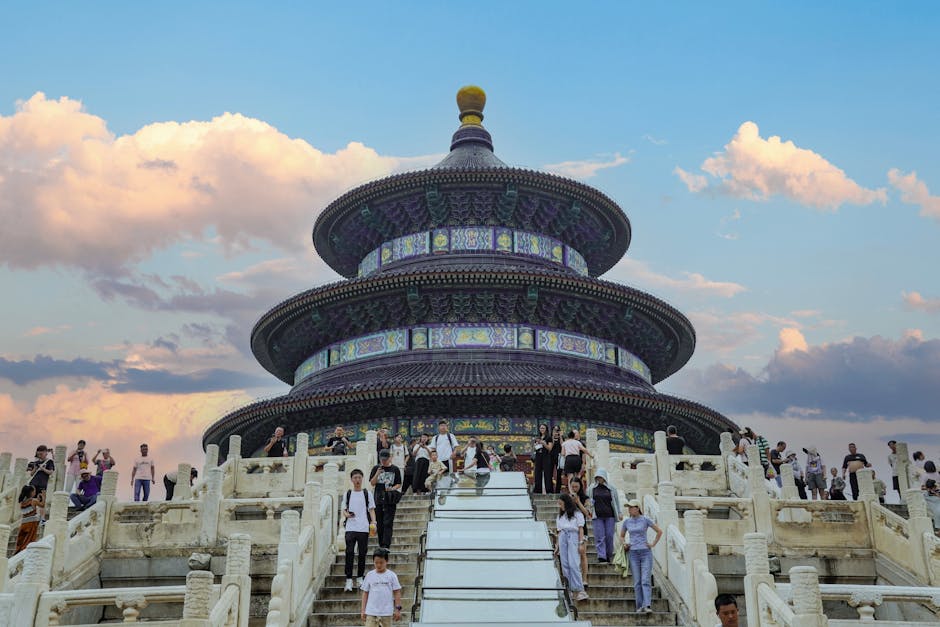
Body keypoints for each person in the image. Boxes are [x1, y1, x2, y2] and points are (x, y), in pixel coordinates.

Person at [620, 498, 662, 614]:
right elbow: (622, 535)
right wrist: (624, 543)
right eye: (628, 507)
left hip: (645, 552)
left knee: (645, 580)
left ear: (637, 508)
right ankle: (639, 606)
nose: (629, 509)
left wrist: (652, 544)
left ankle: (647, 605)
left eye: (631, 507)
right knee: (637, 581)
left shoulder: (645, 519)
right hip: (633, 553)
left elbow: (659, 531)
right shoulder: (627, 522)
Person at [343, 468, 377, 592]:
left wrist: (374, 522)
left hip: (363, 527)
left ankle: (360, 577)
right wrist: (347, 515)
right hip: (350, 527)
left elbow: (371, 509)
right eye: (355, 478)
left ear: (362, 479)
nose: (357, 480)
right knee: (349, 552)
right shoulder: (348, 494)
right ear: (351, 480)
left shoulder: (367, 493)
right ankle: (348, 579)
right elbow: (344, 510)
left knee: (362, 553)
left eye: (359, 478)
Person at [555, 493, 588, 602]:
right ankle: (568, 589)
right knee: (565, 564)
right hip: (563, 537)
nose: (560, 506)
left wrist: (581, 543)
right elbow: (559, 531)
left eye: (561, 504)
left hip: (573, 536)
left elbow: (581, 529)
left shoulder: (577, 514)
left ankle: (580, 589)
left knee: (574, 563)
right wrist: (557, 546)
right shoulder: (560, 516)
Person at [360, 548, 402, 627]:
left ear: (386, 561)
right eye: (376, 563)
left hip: (386, 613)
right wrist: (363, 610)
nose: (379, 565)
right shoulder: (369, 575)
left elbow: (397, 593)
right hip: (371, 612)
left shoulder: (392, 575)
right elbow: (365, 593)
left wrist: (398, 609)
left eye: (381, 562)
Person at [370, 449, 402, 549]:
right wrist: (377, 473)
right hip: (378, 498)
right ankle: (381, 544)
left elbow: (398, 483)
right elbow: (372, 483)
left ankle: (386, 544)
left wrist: (392, 488)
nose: (383, 461)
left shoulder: (395, 469)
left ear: (390, 458)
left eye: (385, 459)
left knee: (388, 523)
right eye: (382, 459)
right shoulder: (376, 468)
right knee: (380, 523)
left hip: (390, 498)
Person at [588, 468, 622, 563]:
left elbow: (616, 501)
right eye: (598, 477)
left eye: (601, 477)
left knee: (609, 536)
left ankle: (608, 554)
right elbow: (588, 500)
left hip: (610, 515)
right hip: (597, 515)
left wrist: (619, 512)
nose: (599, 479)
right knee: (599, 536)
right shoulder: (592, 488)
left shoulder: (611, 488)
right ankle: (601, 555)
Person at [567, 476, 592, 589]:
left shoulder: (586, 498)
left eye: (576, 487)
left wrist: (578, 502)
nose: (574, 489)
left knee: (582, 553)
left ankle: (584, 578)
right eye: (572, 487)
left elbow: (588, 513)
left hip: (582, 528)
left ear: (580, 486)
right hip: (570, 528)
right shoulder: (567, 497)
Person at [15, 485, 44, 554]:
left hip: (23, 523)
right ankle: (25, 553)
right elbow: (42, 505)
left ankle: (17, 552)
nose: (35, 492)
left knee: (20, 540)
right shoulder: (33, 500)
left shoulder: (22, 502)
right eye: (34, 491)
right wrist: (43, 496)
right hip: (32, 523)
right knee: (29, 540)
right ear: (31, 492)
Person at [532, 423, 554, 493]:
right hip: (538, 456)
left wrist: (544, 443)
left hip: (546, 457)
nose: (542, 429)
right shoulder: (538, 438)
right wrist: (535, 445)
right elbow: (534, 448)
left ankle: (549, 490)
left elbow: (550, 448)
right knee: (537, 473)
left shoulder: (548, 438)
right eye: (541, 428)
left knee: (547, 473)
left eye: (543, 428)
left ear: (546, 429)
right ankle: (538, 489)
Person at [550, 426, 563, 492]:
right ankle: (550, 489)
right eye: (554, 430)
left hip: (559, 457)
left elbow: (562, 445)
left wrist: (560, 436)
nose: (556, 432)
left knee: (559, 474)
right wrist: (553, 436)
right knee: (550, 473)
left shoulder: (561, 438)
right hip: (550, 457)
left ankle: (558, 490)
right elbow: (550, 446)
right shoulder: (550, 438)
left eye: (557, 430)